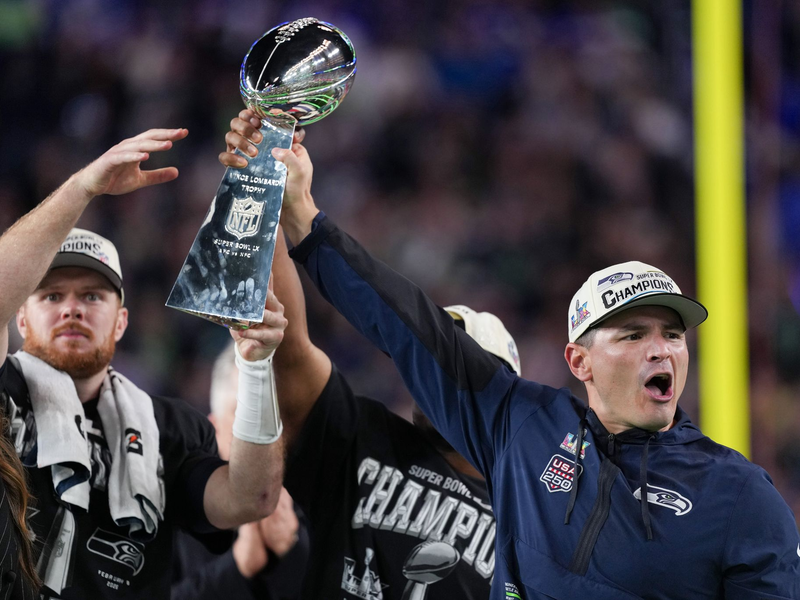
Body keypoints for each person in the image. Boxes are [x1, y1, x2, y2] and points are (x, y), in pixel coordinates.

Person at [224, 110, 800, 599]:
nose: (661, 349)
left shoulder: (739, 495)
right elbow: (406, 325)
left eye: (672, 335)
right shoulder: (521, 427)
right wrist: (303, 215)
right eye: (632, 335)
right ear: (580, 363)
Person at [220, 114, 523, 598]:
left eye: (461, 369)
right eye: (433, 362)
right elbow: (289, 344)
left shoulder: (529, 521)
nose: (440, 376)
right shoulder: (362, 433)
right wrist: (263, 181)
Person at [0, 128, 287, 599]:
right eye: (52, 296)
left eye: (93, 296)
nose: (72, 309)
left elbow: (250, 498)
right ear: (21, 319)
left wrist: (256, 367)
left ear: (121, 322)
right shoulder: (4, 390)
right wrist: (81, 188)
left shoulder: (169, 428)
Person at [172, 342, 309, 600]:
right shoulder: (176, 509)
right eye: (248, 416)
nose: (267, 435)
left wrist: (291, 550)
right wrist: (238, 567)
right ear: (214, 428)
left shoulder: (322, 501)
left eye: (278, 415)